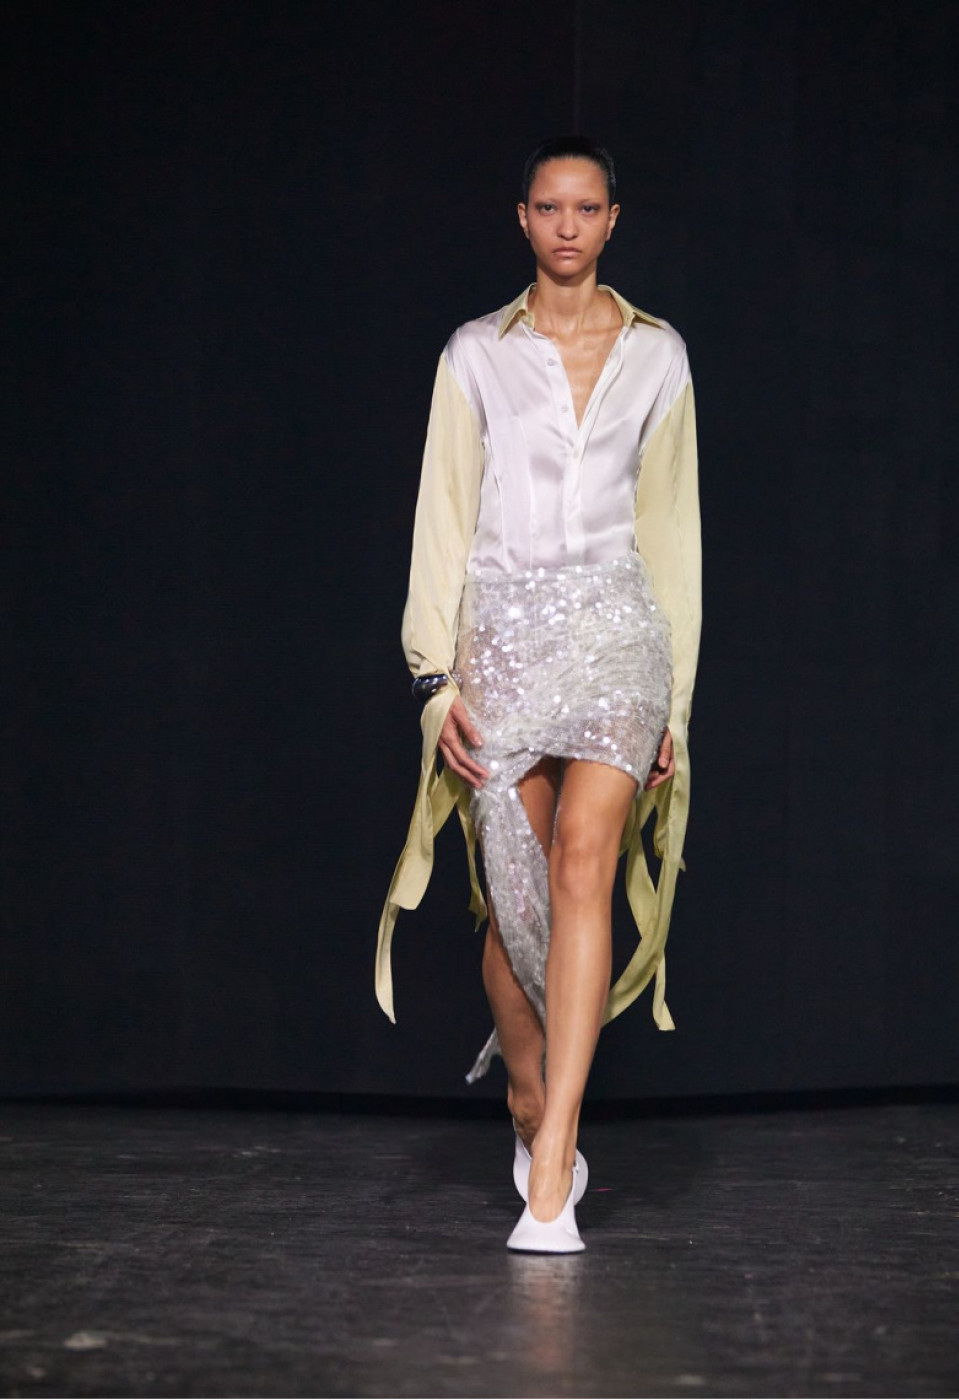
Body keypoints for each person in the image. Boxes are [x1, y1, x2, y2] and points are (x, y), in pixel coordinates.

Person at [375, 135, 701, 1252]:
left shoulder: (659, 355)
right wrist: (434, 677)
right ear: (522, 218)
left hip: (616, 632)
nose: (568, 225)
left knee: (582, 864)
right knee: (511, 901)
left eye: (587, 207)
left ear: (612, 220)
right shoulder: (474, 353)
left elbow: (671, 535)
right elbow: (442, 516)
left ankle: (553, 1163)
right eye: (549, 207)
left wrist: (675, 705)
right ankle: (526, 1096)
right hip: (504, 641)